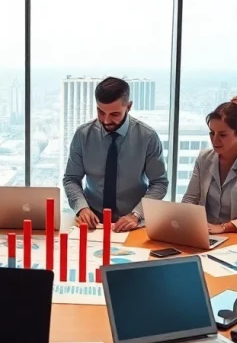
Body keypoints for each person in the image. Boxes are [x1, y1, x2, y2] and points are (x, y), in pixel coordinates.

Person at [63, 77, 168, 232]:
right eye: (100, 112)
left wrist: (137, 214)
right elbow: (71, 179)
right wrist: (82, 208)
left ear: (129, 106)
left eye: (114, 114)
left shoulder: (147, 137)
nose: (106, 120)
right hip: (93, 219)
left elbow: (159, 183)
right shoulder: (83, 135)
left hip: (133, 221)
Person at [181, 95, 237, 234]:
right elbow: (189, 199)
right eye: (212, 133)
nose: (215, 140)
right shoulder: (204, 158)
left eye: (222, 135)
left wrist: (222, 228)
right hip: (205, 233)